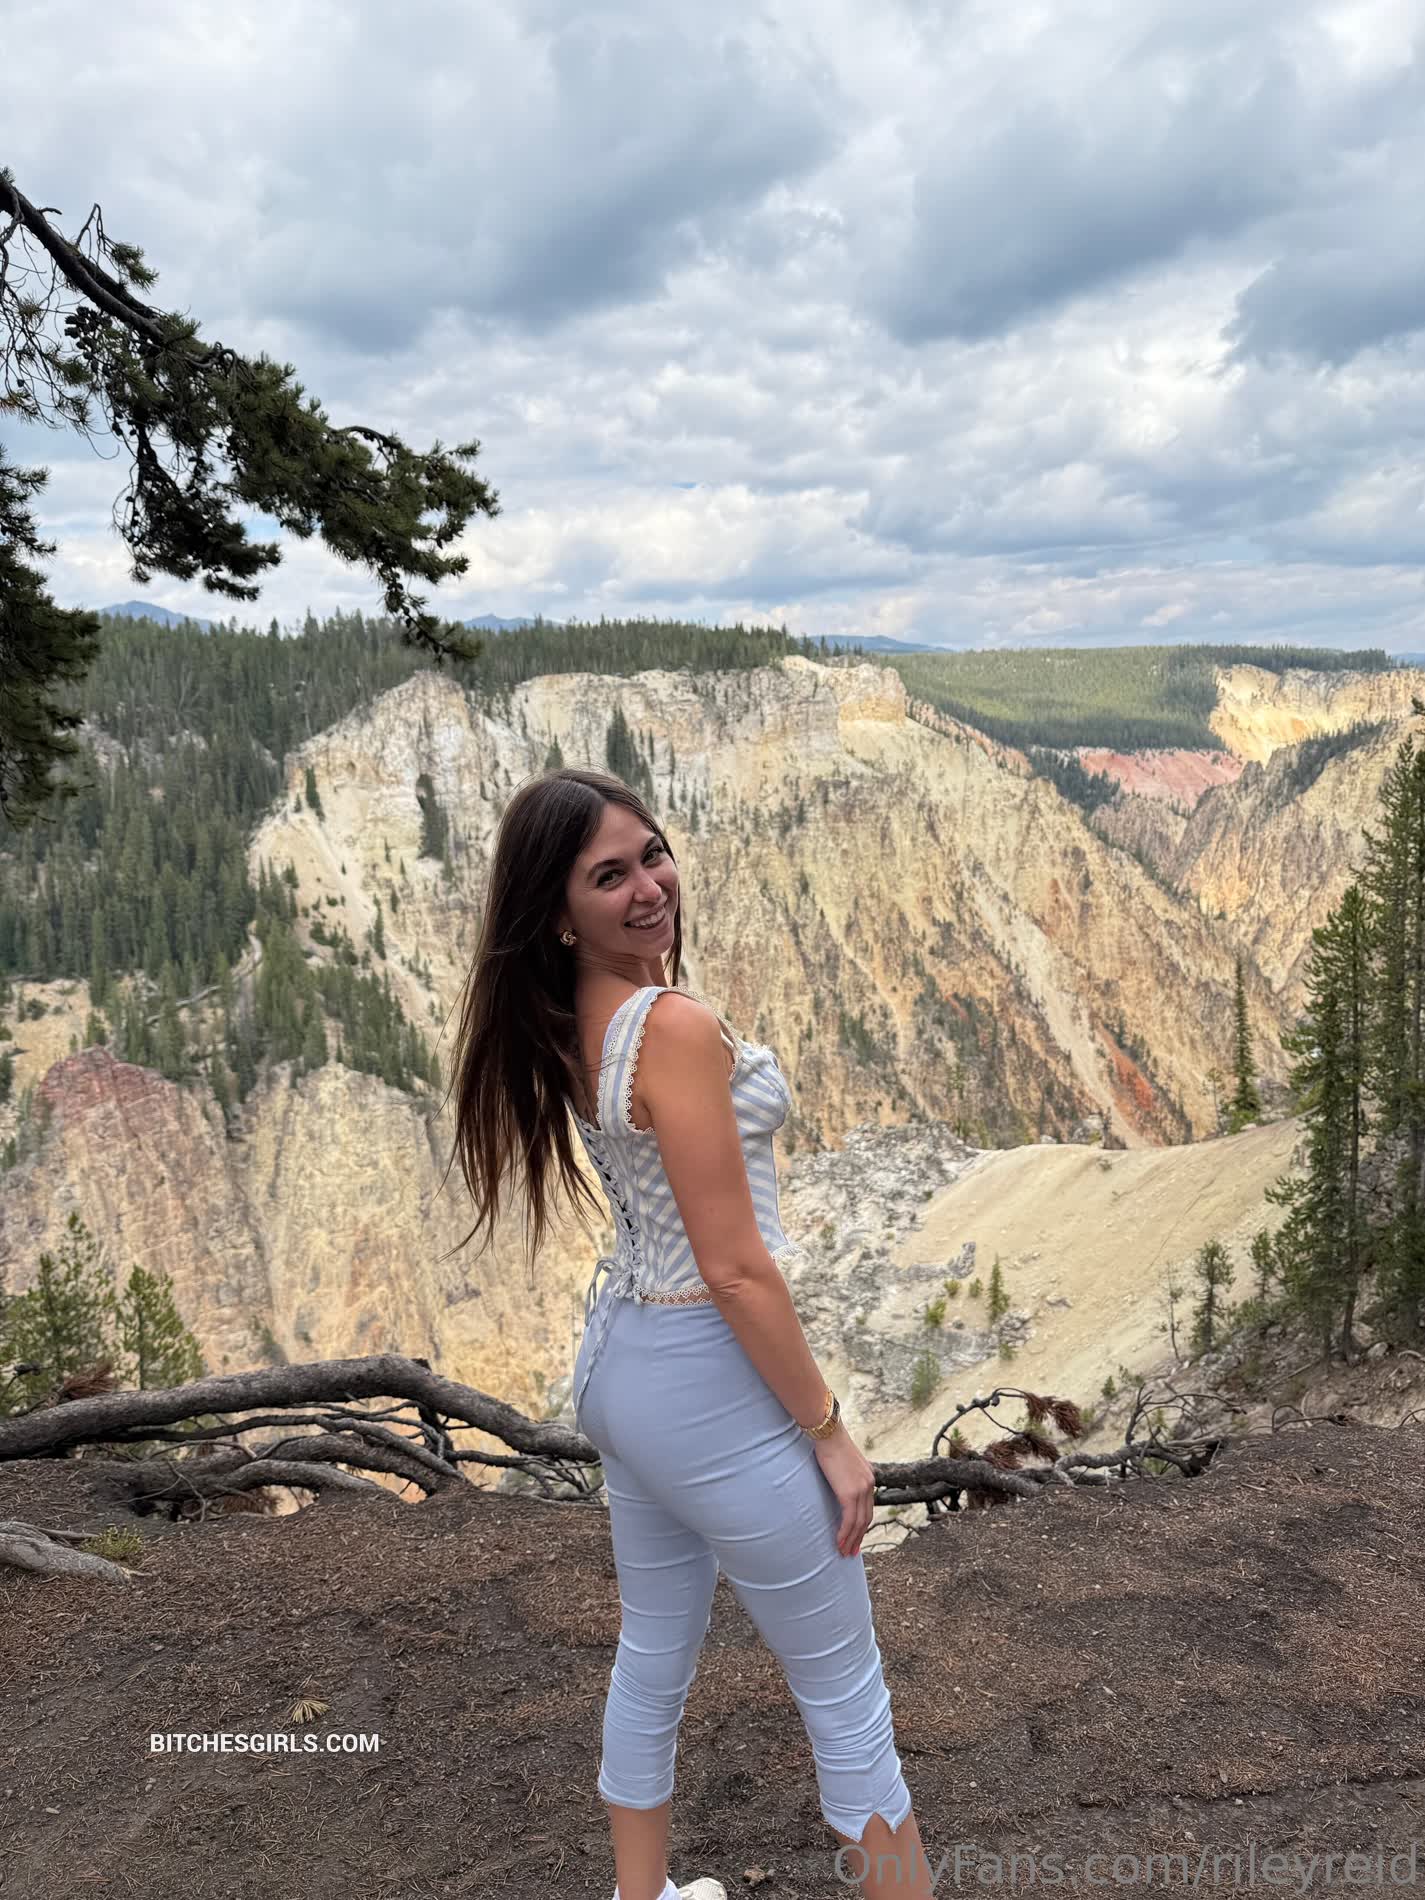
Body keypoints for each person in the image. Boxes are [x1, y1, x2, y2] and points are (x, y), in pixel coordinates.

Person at [446, 767, 935, 1900]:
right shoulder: (668, 1026)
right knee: (845, 1694)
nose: (648, 887)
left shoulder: (575, 1014)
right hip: (707, 1380)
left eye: (652, 854)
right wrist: (828, 1431)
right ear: (559, 912)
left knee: (655, 1649)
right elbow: (735, 1268)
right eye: (608, 876)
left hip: (623, 1366)